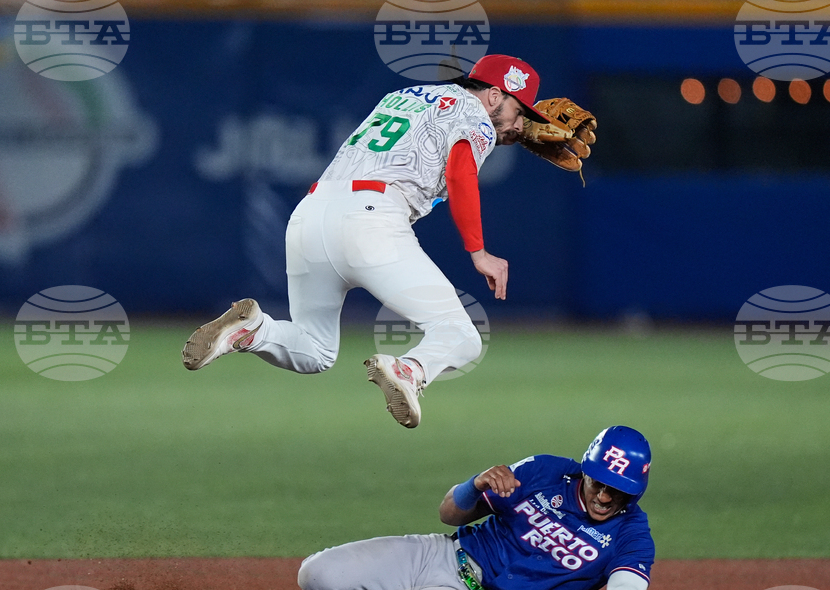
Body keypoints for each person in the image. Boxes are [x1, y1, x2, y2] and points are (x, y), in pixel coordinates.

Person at [181, 54, 555, 429]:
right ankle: (409, 370)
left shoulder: (403, 95)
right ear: (493, 96)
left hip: (310, 214)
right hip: (371, 219)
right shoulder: (477, 117)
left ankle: (254, 330)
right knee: (460, 335)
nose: (522, 126)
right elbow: (461, 174)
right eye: (521, 111)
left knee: (314, 350)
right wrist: (478, 251)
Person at [206, 426, 655, 590]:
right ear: (588, 471)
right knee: (315, 573)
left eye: (619, 491)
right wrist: (474, 484)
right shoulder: (545, 471)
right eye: (600, 484)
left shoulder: (631, 532)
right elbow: (448, 515)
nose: (605, 496)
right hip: (441, 555)